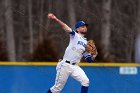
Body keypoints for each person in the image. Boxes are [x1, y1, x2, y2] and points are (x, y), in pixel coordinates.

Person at [47, 13, 98, 93]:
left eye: (85, 26)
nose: (85, 27)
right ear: (77, 29)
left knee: (86, 81)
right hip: (65, 65)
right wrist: (56, 19)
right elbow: (65, 27)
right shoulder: (75, 35)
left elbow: (89, 60)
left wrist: (94, 55)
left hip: (75, 67)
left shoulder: (86, 43)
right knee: (57, 89)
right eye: (82, 26)